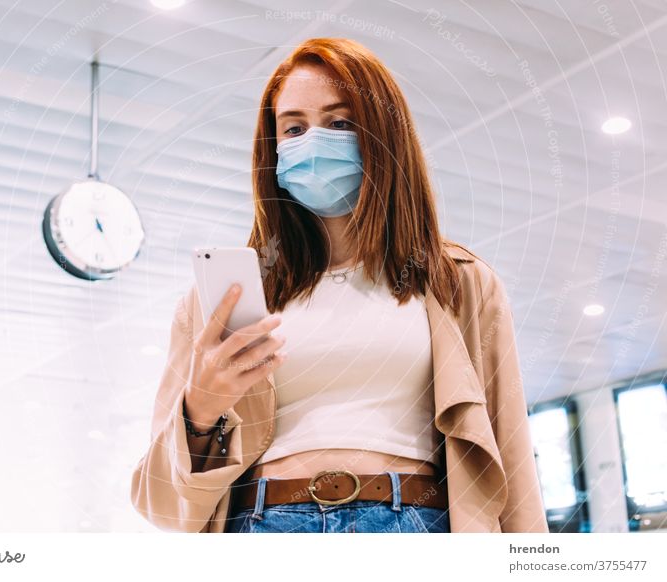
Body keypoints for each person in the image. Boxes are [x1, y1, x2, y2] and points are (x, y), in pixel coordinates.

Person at [131, 37, 548, 534]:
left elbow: (512, 458)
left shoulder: (457, 283)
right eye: (294, 128)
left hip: (414, 525)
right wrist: (199, 413)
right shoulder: (223, 300)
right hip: (264, 526)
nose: (313, 141)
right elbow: (162, 502)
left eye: (340, 122)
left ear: (385, 135)